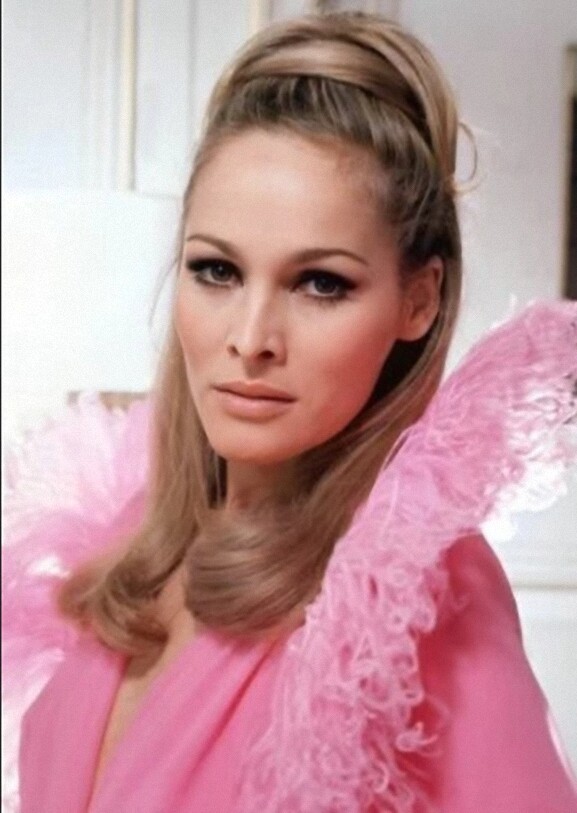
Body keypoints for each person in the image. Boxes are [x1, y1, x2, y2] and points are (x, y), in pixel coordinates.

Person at [3, 10, 577, 813]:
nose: (250, 339)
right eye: (216, 271)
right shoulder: (131, 540)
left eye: (320, 283)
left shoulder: (411, 594)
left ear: (418, 299)